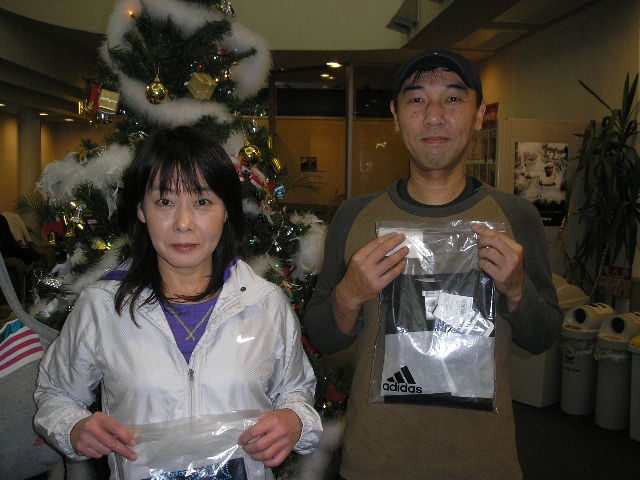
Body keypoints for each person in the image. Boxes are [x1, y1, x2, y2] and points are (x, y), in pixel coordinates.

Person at [303, 49, 562, 480]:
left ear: (478, 115)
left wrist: (517, 290)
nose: (434, 116)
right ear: (396, 115)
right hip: (375, 461)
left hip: (484, 463)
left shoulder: (516, 217)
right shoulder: (355, 216)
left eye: (453, 99)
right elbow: (322, 337)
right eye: (417, 99)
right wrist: (348, 295)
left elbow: (543, 336)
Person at [34, 126, 322, 479]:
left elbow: (295, 390)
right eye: (165, 202)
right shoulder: (103, 306)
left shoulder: (266, 304)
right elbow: (56, 393)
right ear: (141, 210)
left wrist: (294, 420)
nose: (183, 224)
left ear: (226, 210)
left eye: (202, 202)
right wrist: (73, 427)